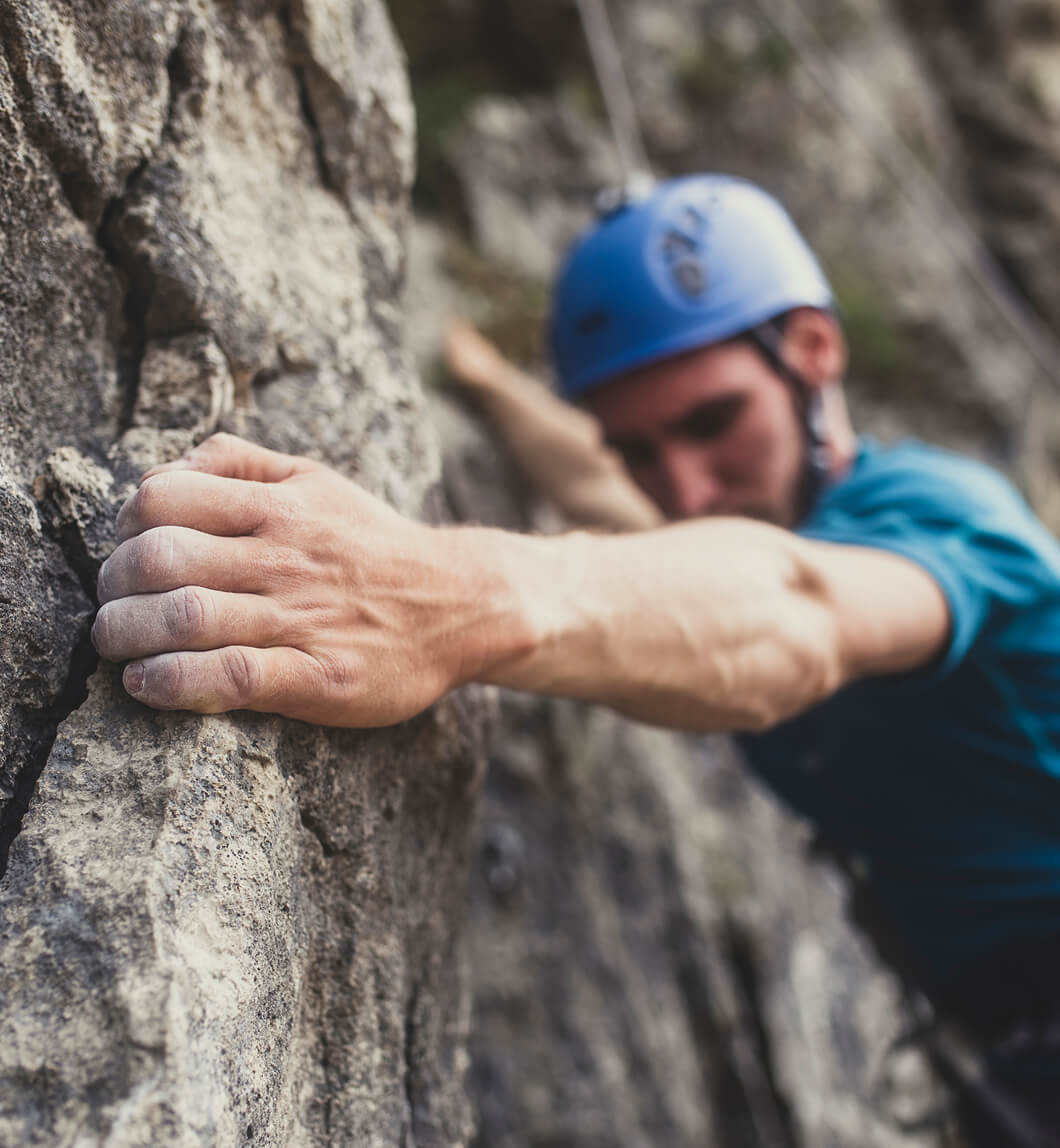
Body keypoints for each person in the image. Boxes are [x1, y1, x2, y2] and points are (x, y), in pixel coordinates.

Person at [93, 175, 1060, 1144]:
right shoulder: (740, 506)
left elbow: (795, 608)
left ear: (812, 349)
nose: (681, 486)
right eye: (638, 445)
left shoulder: (948, 522)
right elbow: (609, 492)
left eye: (711, 420)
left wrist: (432, 593)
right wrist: (487, 382)